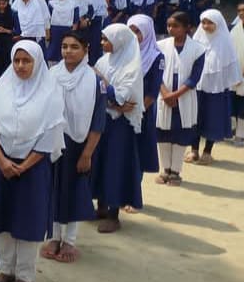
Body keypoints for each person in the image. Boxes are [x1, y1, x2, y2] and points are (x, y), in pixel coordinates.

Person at [0, 40, 65, 282]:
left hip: (33, 169)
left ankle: (25, 276)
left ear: (37, 62)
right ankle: (5, 269)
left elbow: (50, 135)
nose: (20, 66)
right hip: (2, 165)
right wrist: (1, 159)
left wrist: (22, 166)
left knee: (28, 220)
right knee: (1, 217)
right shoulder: (2, 88)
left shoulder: (50, 94)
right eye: (16, 61)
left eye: (26, 61)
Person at [44, 32, 104, 263]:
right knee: (53, 189)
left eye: (74, 47)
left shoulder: (95, 80)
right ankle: (54, 236)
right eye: (64, 46)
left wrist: (87, 153)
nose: (68, 51)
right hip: (53, 141)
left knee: (73, 191)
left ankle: (69, 240)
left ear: (86, 49)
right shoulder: (52, 74)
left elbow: (98, 120)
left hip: (78, 144)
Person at [92, 24, 145, 233]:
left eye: (106, 39)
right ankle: (101, 206)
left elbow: (123, 97)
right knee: (99, 161)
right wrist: (111, 101)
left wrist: (102, 80)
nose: (102, 43)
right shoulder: (103, 61)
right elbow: (98, 91)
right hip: (102, 119)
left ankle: (114, 214)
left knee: (115, 165)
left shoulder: (131, 67)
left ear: (120, 41)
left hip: (120, 125)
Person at [156, 12, 206, 185]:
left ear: (187, 28)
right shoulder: (160, 46)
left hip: (184, 96)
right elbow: (156, 73)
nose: (171, 29)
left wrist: (175, 95)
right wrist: (165, 94)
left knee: (180, 134)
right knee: (163, 132)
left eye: (176, 26)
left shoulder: (198, 49)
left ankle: (175, 171)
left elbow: (194, 77)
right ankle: (165, 169)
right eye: (169, 25)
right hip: (164, 95)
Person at [186, 9, 242, 164]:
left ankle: (207, 152)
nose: (206, 26)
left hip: (217, 88)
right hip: (197, 87)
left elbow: (232, 63)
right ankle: (194, 150)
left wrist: (234, 80)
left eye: (210, 23)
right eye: (203, 22)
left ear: (218, 23)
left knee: (213, 118)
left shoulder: (225, 41)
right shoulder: (197, 39)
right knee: (194, 118)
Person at [128, 14, 164, 190]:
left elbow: (153, 90)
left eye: (138, 31)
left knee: (138, 151)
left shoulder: (156, 57)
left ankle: (134, 192)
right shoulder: (122, 52)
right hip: (119, 110)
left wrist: (138, 110)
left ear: (148, 33)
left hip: (142, 112)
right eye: (130, 31)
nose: (134, 36)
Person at [232, 0, 244, 147]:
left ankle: (240, 136)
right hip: (234, 73)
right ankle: (230, 131)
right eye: (239, 10)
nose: (241, 13)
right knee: (232, 103)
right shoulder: (234, 29)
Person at [46, 0, 79, 65]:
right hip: (55, 29)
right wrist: (48, 32)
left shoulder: (74, 4)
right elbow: (48, 18)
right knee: (54, 49)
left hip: (67, 30)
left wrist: (73, 32)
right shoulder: (52, 3)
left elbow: (75, 20)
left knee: (66, 47)